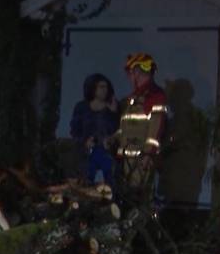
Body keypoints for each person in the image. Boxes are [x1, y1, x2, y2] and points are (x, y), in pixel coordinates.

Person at [111, 52, 169, 197]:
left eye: (130, 72)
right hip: (127, 160)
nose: (129, 76)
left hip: (140, 160)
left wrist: (148, 154)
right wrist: (113, 138)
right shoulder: (133, 98)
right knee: (127, 197)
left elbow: (156, 127)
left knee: (138, 198)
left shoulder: (155, 96)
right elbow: (127, 127)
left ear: (137, 71)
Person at [69, 74, 119, 184]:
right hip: (87, 152)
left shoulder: (112, 107)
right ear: (93, 88)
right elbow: (74, 130)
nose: (104, 90)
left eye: (106, 87)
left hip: (107, 151)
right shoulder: (82, 107)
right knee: (84, 181)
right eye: (101, 87)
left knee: (111, 180)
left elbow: (117, 129)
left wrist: (112, 113)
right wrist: (84, 141)